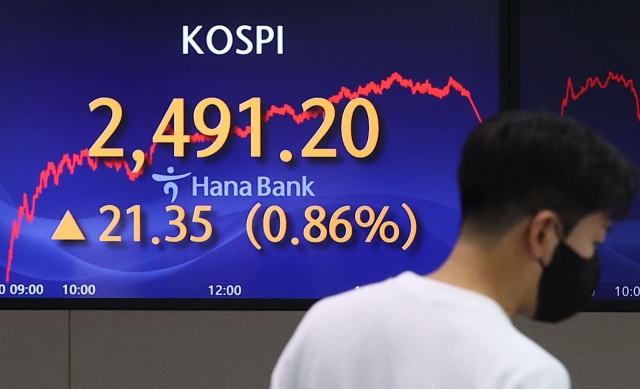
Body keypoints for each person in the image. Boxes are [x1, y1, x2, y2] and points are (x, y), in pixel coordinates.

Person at [270, 111, 639, 389]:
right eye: (594, 242)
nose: (591, 259)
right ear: (542, 234)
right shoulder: (524, 374)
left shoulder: (326, 325)